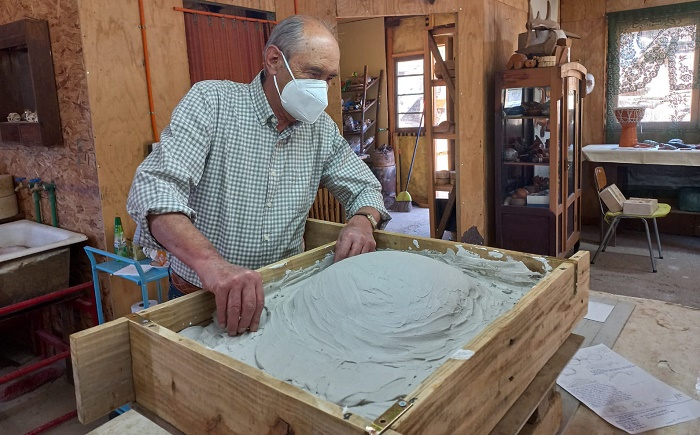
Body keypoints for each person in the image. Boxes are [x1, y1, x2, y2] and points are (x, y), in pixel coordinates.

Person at [127, 15, 390, 337]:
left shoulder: (321, 131)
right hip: (198, 295)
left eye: (330, 78)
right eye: (313, 74)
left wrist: (363, 220)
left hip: (281, 291)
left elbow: (365, 187)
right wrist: (212, 265)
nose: (321, 89)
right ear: (274, 61)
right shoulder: (212, 103)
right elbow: (155, 186)